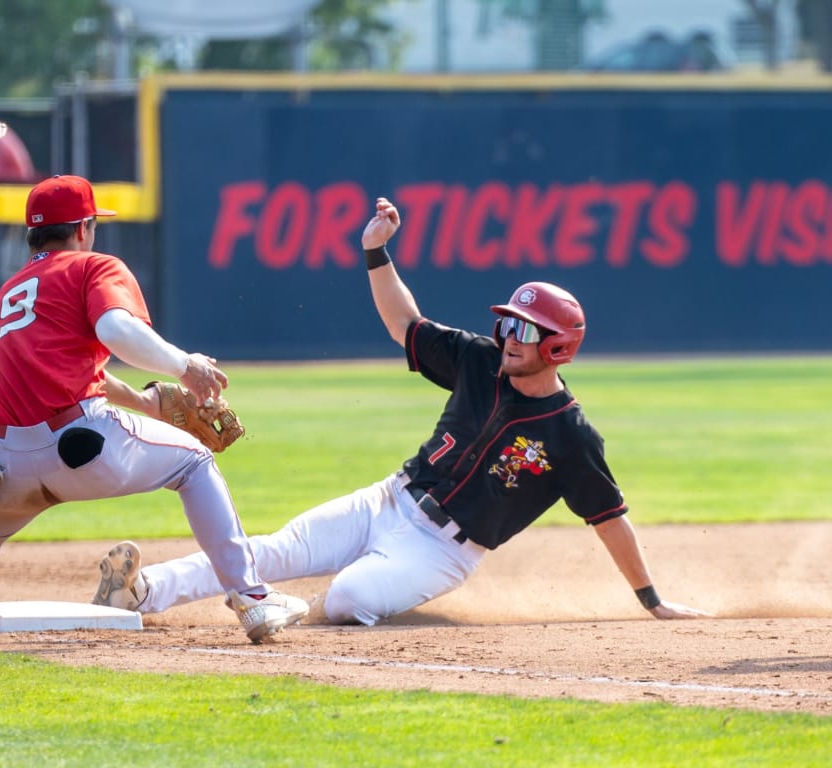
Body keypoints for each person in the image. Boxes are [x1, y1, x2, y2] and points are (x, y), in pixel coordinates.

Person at [92, 196, 710, 626]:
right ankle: (140, 594)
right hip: (388, 499)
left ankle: (358, 592)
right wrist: (376, 253)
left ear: (558, 347)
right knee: (273, 550)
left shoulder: (571, 436)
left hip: (443, 551)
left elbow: (610, 518)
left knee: (346, 599)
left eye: (526, 329)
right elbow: (404, 323)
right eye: (511, 323)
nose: (510, 335)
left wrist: (651, 599)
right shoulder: (477, 361)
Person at [0, 175, 305, 644]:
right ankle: (252, 596)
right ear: (81, 229)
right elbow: (116, 331)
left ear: (33, 234)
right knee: (195, 462)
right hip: (83, 447)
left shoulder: (10, 293)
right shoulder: (93, 266)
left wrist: (140, 401)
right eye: (92, 224)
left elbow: (62, 369)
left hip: (1, 462)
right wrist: (185, 366)